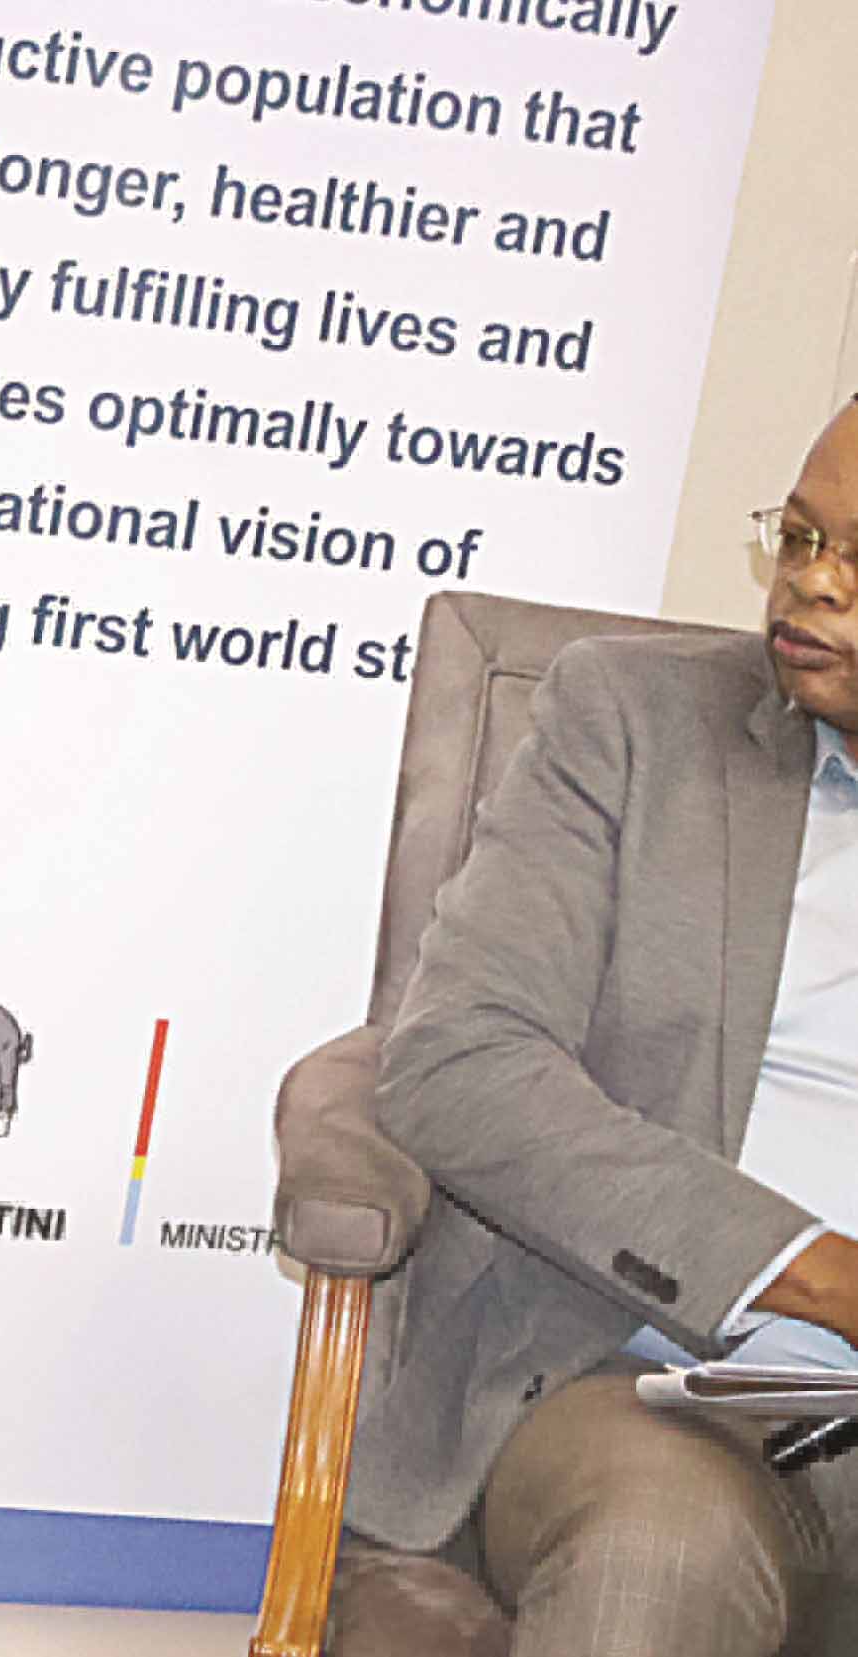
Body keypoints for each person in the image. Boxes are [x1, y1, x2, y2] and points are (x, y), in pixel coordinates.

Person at [345, 399, 858, 1656]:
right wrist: (823, 1276)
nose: (811, 583)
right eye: (799, 537)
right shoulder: (635, 720)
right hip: (655, 1385)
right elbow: (461, 1062)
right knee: (657, 1555)